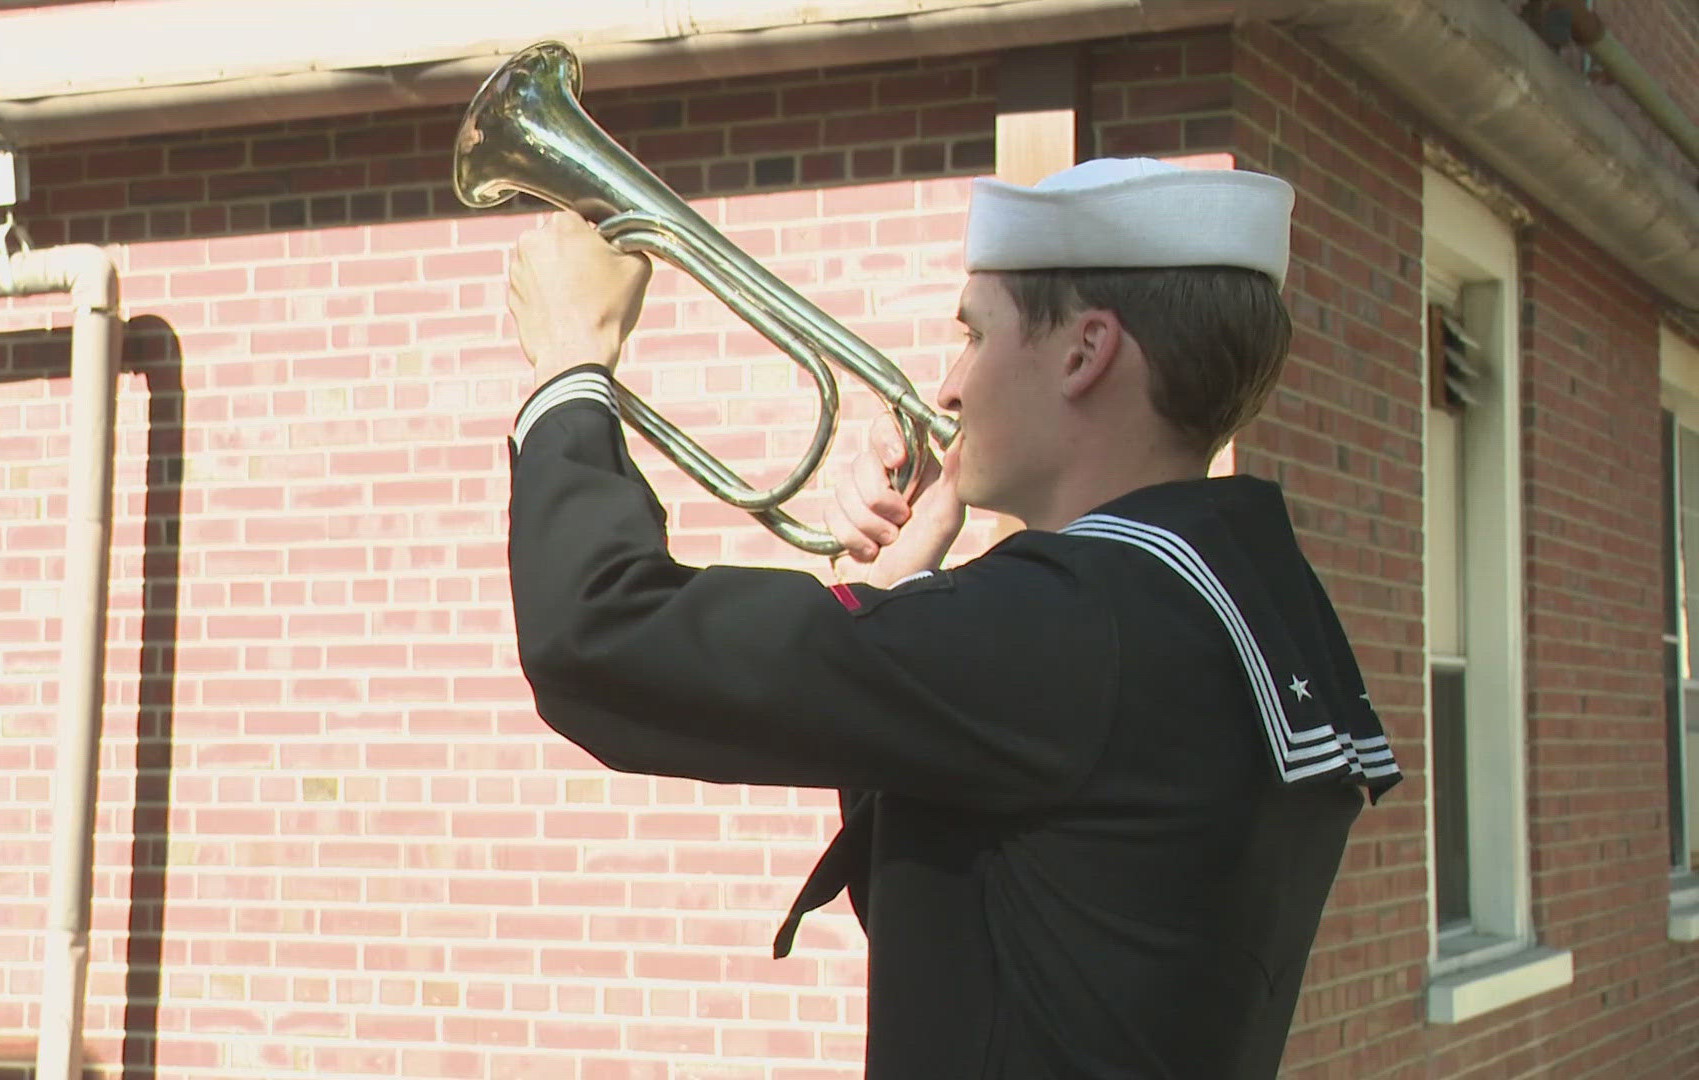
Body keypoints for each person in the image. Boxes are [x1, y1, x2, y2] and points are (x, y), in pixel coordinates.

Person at [500, 157, 1401, 1079]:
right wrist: (901, 586)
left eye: (974, 335)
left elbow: (599, 637)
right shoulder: (1241, 592)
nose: (948, 387)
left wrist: (573, 363)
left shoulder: (1074, 625)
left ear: (1085, 352)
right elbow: (988, 917)